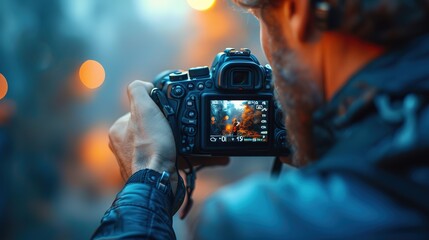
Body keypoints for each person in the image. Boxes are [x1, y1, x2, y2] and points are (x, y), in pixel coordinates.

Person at [92, 0, 429, 239]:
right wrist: (330, 142)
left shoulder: (258, 223)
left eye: (264, 20)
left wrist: (147, 181)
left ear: (299, 10)